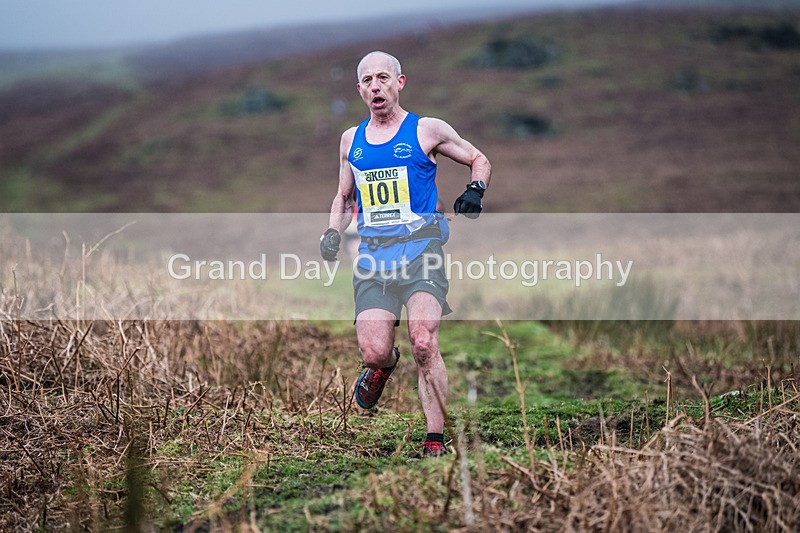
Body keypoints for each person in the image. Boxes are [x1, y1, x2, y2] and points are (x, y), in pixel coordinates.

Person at [320, 51, 491, 457]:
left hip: (422, 252)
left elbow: (478, 158)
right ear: (359, 89)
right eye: (367, 80)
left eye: (383, 78)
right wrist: (331, 231)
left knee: (424, 342)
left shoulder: (426, 130)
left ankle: (434, 439)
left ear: (400, 83)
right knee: (373, 351)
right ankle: (383, 365)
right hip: (374, 258)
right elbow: (344, 198)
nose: (375, 86)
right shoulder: (351, 140)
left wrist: (476, 189)